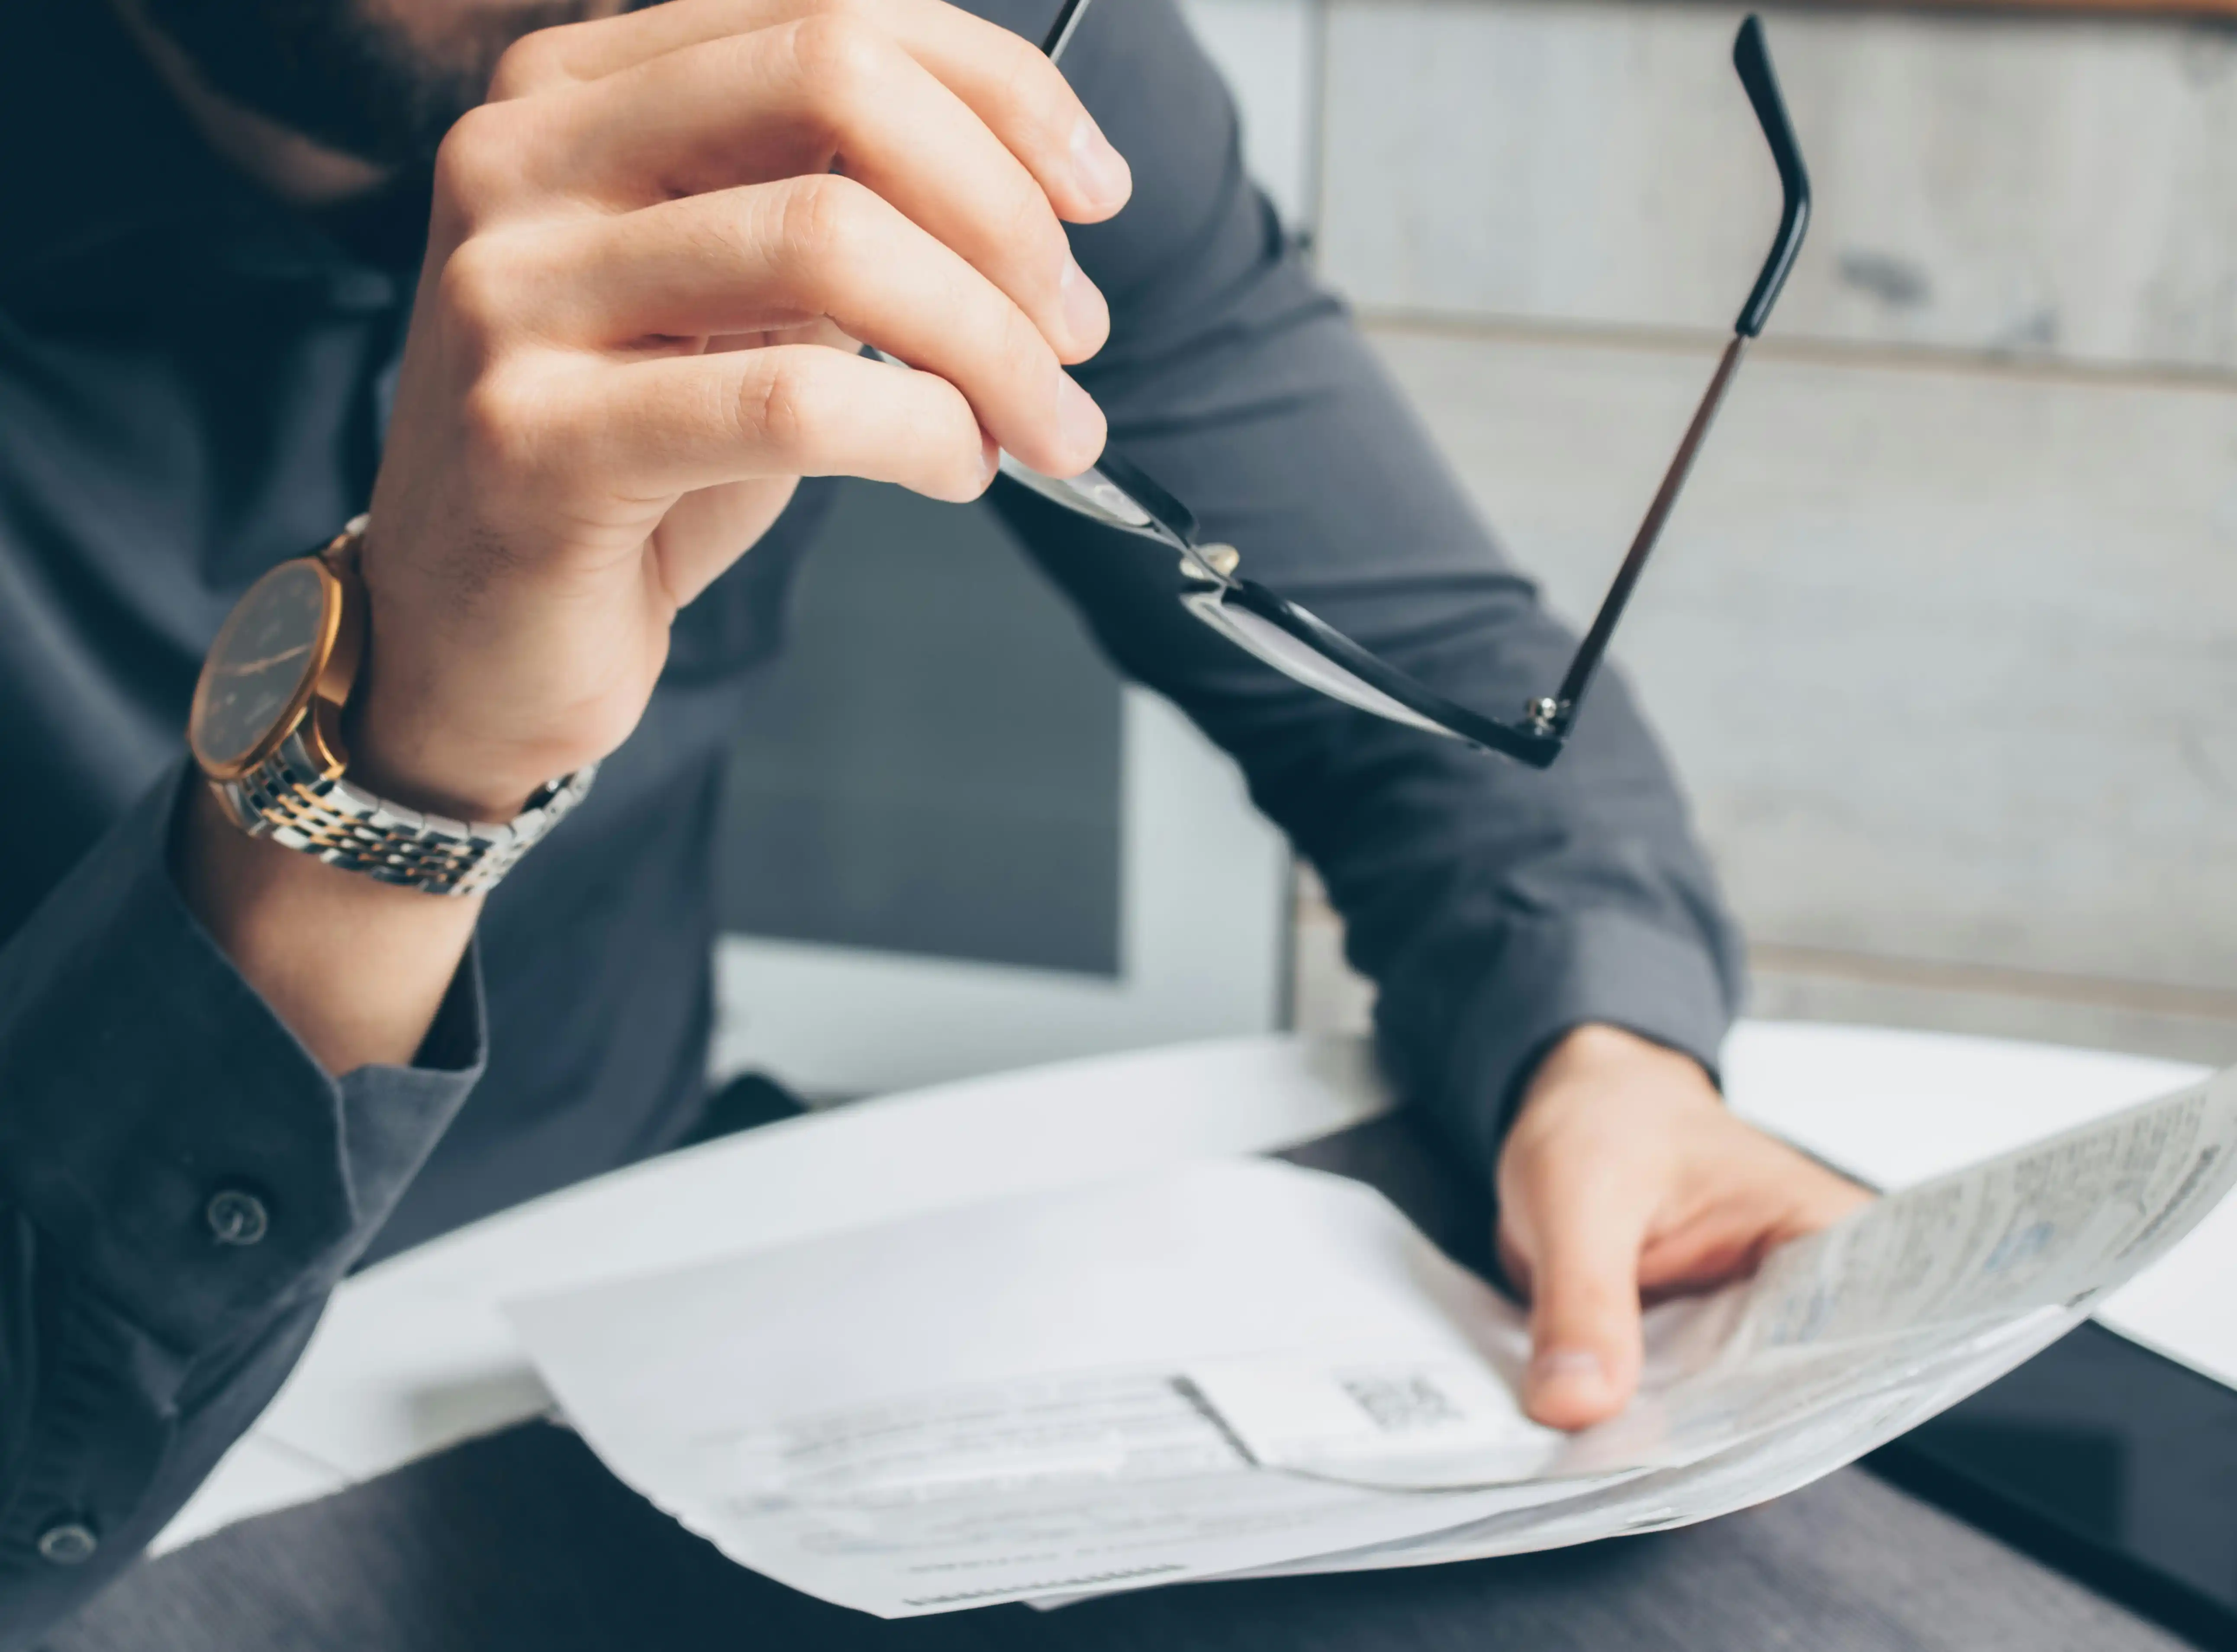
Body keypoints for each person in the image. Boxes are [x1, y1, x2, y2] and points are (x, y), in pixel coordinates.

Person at [0, 0, 1864, 1638]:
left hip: (629, 1325)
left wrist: (1599, 1050)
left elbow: (1435, 686)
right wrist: (393, 759)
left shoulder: (932, 39)